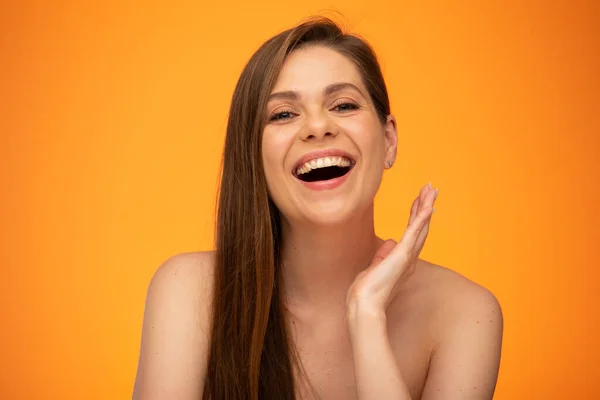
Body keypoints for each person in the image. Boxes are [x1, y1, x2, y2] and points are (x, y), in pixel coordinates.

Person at [132, 16, 503, 400]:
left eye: (343, 105)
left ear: (389, 139)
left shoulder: (465, 314)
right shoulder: (190, 292)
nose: (317, 126)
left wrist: (367, 316)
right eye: (283, 114)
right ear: (253, 156)